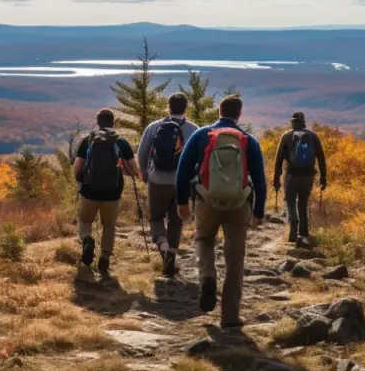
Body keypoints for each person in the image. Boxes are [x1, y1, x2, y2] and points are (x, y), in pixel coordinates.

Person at [176, 96, 268, 328]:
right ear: (239, 114)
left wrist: (182, 202)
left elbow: (183, 170)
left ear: (219, 111)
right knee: (235, 259)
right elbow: (259, 178)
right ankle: (229, 317)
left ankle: (207, 277)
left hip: (207, 201)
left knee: (204, 241)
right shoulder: (248, 140)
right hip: (239, 204)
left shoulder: (201, 136)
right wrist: (258, 211)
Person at [137, 92, 199, 277]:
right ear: (185, 107)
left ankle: (163, 247)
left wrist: (145, 173)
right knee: (176, 220)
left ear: (168, 106)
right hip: (182, 182)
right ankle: (171, 253)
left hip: (157, 181)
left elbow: (142, 153)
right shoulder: (194, 129)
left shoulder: (154, 127)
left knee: (155, 218)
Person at [73, 109, 141, 275]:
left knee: (84, 220)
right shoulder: (120, 142)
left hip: (89, 190)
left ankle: (87, 240)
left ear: (98, 122)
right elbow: (134, 169)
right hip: (112, 192)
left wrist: (81, 180)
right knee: (109, 226)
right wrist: (130, 173)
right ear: (113, 122)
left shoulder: (88, 140)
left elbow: (78, 166)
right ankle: (104, 257)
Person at [272, 111, 328, 245]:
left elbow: (278, 159)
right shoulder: (313, 136)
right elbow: (321, 158)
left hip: (292, 174)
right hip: (309, 176)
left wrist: (276, 178)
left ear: (292, 122)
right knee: (303, 203)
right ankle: (303, 234)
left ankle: (293, 224)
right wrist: (323, 177)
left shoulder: (286, 136)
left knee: (289, 200)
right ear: (304, 122)